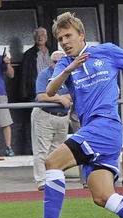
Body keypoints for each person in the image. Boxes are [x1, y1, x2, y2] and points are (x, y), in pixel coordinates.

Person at [18, 12, 123, 218]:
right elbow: (50, 89)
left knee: (52, 161)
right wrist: (69, 69)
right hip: (93, 129)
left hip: (105, 126)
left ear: (81, 35)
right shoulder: (66, 63)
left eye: (68, 36)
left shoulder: (106, 51)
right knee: (103, 197)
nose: (65, 42)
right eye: (60, 38)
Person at [31, 51, 72, 191]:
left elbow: (74, 95)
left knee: (58, 150)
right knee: (41, 150)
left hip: (63, 117)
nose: (57, 65)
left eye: (60, 62)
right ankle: (41, 182)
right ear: (50, 62)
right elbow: (41, 96)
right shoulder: (44, 74)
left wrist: (62, 97)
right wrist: (61, 98)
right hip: (45, 115)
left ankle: (54, 180)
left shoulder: (69, 74)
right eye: (55, 62)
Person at [20, 27, 52, 103]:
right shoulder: (28, 54)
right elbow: (23, 75)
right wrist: (24, 92)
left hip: (52, 85)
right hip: (36, 87)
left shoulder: (53, 52)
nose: (40, 37)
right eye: (38, 35)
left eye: (42, 35)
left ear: (46, 37)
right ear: (34, 38)